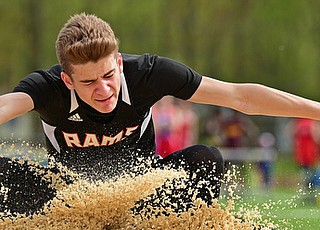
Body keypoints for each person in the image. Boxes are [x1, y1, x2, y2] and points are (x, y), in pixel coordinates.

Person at [1, 13, 320, 218]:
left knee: (205, 158)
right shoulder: (47, 88)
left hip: (141, 195)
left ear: (120, 63)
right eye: (88, 82)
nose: (104, 90)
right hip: (69, 200)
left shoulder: (148, 75)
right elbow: (6, 106)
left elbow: (240, 96)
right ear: (67, 80)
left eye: (109, 75)